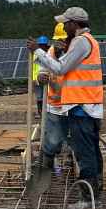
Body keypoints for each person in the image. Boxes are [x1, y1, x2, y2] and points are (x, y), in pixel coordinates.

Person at [28, 7, 104, 209]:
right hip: (84, 106)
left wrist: (37, 51)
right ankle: (95, 194)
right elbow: (55, 68)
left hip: (82, 107)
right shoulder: (85, 42)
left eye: (66, 23)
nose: (64, 27)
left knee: (85, 154)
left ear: (74, 24)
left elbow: (60, 68)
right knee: (91, 151)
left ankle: (89, 198)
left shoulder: (81, 42)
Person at [38, 23, 70, 169]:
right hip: (55, 104)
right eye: (59, 40)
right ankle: (47, 166)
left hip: (74, 104)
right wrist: (41, 77)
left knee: (73, 140)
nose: (61, 43)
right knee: (53, 140)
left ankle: (70, 164)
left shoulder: (76, 52)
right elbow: (42, 71)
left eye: (64, 40)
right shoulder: (50, 52)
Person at [32, 36, 51, 116]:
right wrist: (34, 79)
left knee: (47, 96)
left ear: (47, 45)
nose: (42, 46)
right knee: (39, 97)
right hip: (37, 79)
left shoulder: (50, 53)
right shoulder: (35, 55)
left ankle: (47, 112)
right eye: (41, 45)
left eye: (44, 45)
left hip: (48, 78)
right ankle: (40, 113)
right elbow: (33, 68)